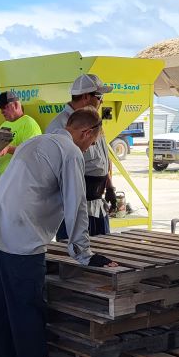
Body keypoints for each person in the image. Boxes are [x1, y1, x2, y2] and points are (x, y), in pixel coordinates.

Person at [0, 107, 117, 357]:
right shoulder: (70, 152)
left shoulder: (35, 141)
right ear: (86, 132)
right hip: (21, 237)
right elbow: (75, 203)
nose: (89, 147)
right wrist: (84, 253)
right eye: (91, 143)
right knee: (27, 311)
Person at [46, 74, 117, 236]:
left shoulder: (94, 120)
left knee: (103, 251)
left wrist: (109, 186)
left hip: (97, 205)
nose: (102, 101)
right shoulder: (60, 126)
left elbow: (102, 159)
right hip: (74, 208)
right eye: (99, 96)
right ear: (86, 96)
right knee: (77, 256)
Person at [0, 91, 41, 176]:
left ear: (16, 105)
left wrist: (8, 149)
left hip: (21, 182)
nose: (2, 112)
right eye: (0, 108)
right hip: (4, 182)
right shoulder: (3, 125)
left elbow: (31, 152)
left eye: (5, 107)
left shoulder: (29, 123)